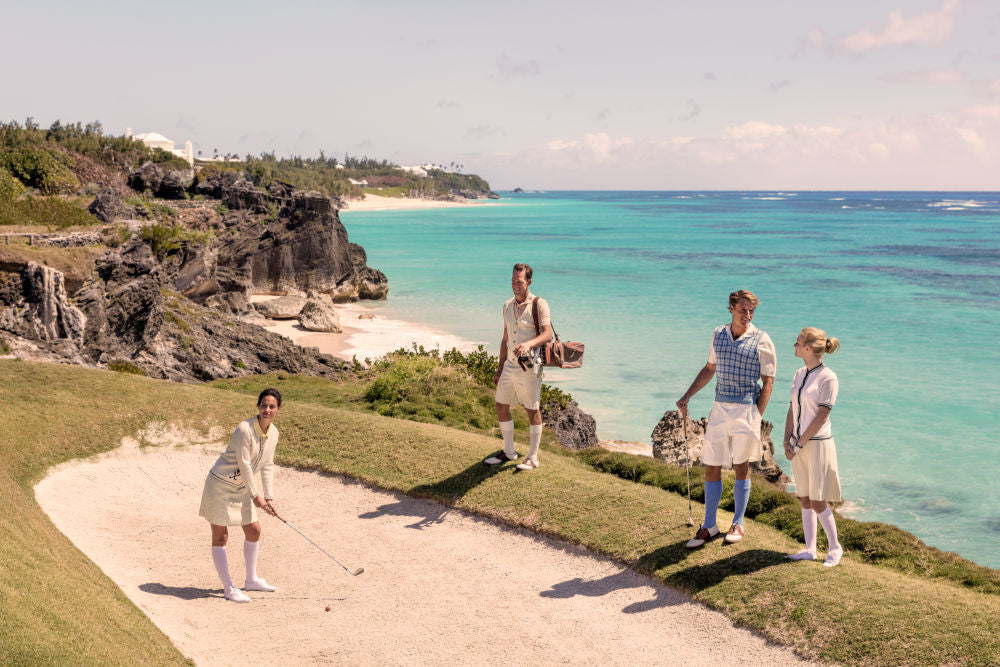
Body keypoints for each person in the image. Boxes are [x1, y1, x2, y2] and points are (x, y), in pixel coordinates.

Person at [677, 290, 775, 547]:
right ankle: (709, 525)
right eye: (743, 310)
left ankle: (738, 523)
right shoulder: (718, 334)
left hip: (746, 409)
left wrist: (757, 415)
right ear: (731, 308)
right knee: (712, 465)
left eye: (751, 311)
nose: (748, 315)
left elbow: (768, 382)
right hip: (720, 407)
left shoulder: (763, 340)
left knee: (741, 465)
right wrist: (687, 395)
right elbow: (710, 369)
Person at [199, 388, 281, 602]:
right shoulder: (244, 429)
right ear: (258, 406)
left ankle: (251, 580)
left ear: (278, 409)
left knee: (254, 530)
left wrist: (269, 497)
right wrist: (256, 496)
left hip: (243, 487)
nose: (267, 409)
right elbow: (245, 465)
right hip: (220, 486)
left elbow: (267, 465)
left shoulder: (274, 434)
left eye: (272, 406)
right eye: (264, 405)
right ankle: (229, 588)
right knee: (221, 536)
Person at [783, 327, 844, 567]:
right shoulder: (799, 373)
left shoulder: (828, 377)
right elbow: (792, 408)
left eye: (798, 342)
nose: (794, 345)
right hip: (798, 444)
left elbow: (821, 416)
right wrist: (786, 440)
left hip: (817, 445)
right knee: (805, 498)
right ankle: (810, 549)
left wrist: (798, 443)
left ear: (808, 348)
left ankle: (835, 548)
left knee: (818, 500)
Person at [484, 263, 553, 471]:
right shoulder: (506, 305)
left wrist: (529, 344)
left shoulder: (539, 304)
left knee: (532, 409)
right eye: (513, 281)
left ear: (529, 282)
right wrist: (498, 369)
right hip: (509, 366)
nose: (515, 285)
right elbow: (505, 338)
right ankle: (509, 451)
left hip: (530, 367)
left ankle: (532, 457)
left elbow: (547, 334)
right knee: (500, 404)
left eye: (519, 282)